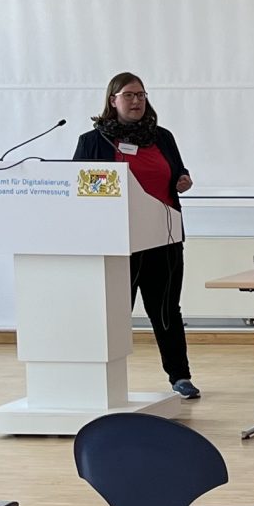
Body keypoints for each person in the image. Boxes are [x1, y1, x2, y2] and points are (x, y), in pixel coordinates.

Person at [72, 71, 198, 399]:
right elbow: (79, 188)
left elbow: (178, 172)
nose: (136, 101)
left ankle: (180, 376)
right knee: (115, 312)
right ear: (112, 100)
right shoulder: (93, 141)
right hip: (116, 242)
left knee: (166, 311)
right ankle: (101, 380)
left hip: (163, 238)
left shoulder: (162, 137)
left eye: (141, 95)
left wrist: (183, 180)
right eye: (128, 95)